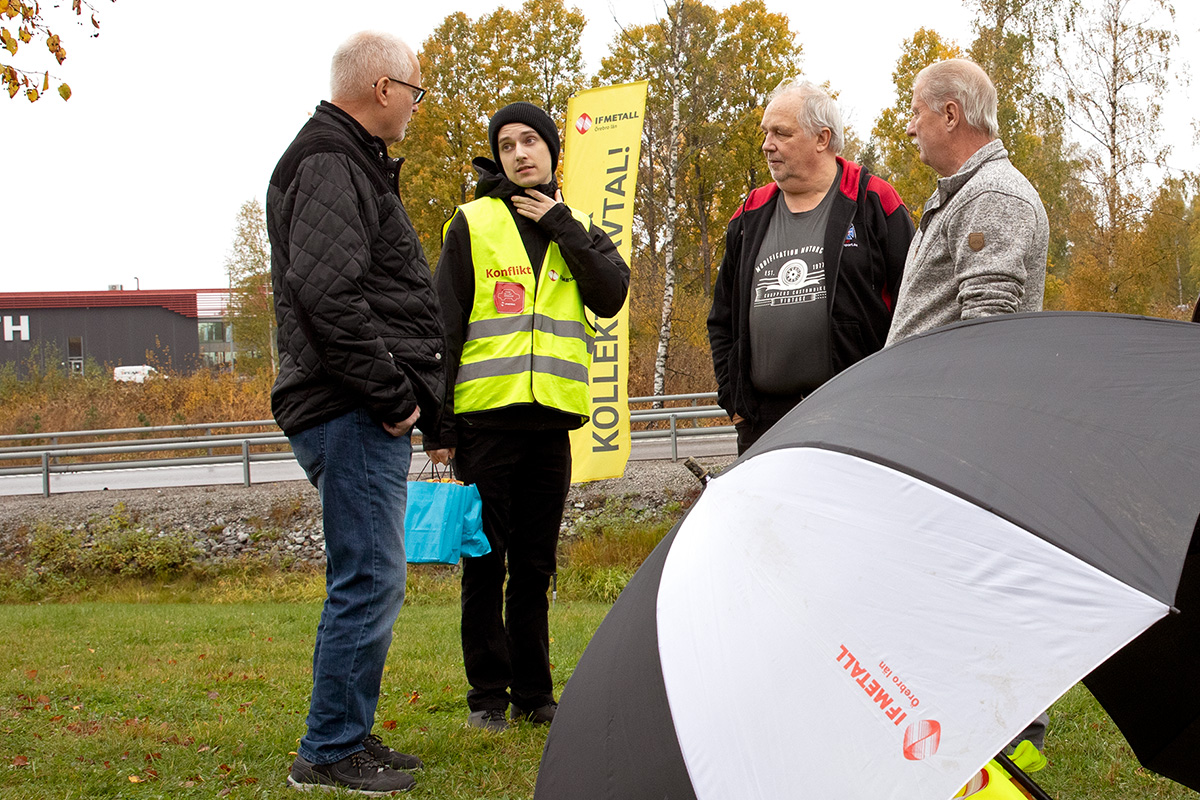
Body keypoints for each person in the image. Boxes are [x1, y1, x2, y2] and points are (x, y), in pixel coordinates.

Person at [267, 31, 444, 795]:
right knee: (369, 577)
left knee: (368, 573)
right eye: (414, 88)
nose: (415, 102)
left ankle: (347, 732)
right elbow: (327, 295)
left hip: (347, 402)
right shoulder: (333, 161)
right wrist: (394, 394)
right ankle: (331, 749)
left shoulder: (342, 159)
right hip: (350, 406)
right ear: (382, 88)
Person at [424, 102, 630, 733]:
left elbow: (611, 292)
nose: (519, 154)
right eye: (507, 145)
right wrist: (439, 428)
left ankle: (534, 696)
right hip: (486, 425)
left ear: (551, 152)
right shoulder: (472, 222)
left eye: (531, 142)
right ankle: (488, 696)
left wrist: (563, 224)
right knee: (485, 566)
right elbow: (444, 328)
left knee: (536, 567)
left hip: (553, 427)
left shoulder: (580, 225)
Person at [707, 80, 914, 454]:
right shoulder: (750, 213)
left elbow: (915, 304)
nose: (767, 144)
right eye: (766, 133)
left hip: (859, 416)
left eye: (781, 133)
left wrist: (895, 395)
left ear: (822, 138)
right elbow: (722, 317)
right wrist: (734, 399)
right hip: (765, 424)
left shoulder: (872, 200)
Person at [885, 58, 1049, 345]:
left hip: (940, 390)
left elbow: (986, 333)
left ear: (950, 115)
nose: (911, 128)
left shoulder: (992, 194)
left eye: (916, 113)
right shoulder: (970, 192)